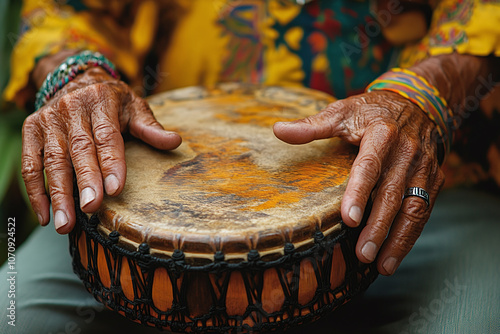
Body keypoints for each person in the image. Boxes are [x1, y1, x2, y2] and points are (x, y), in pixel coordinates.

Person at [1, 0, 499, 333]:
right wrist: (78, 78)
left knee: (472, 320)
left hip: (422, 180)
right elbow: (61, 9)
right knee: (12, 313)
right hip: (140, 185)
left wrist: (425, 95)